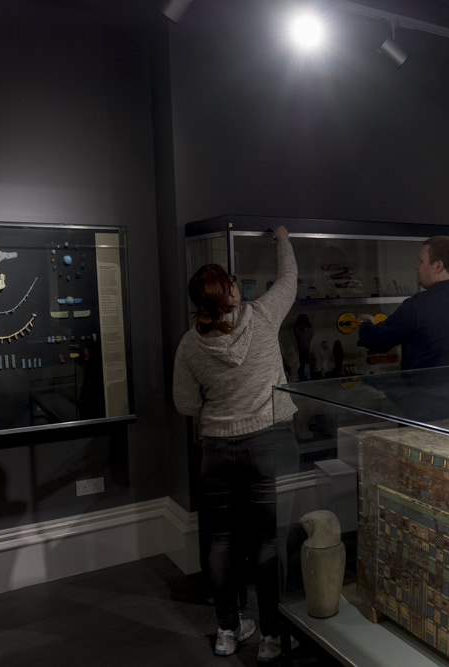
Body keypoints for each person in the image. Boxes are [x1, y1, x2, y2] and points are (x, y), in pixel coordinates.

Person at [172, 225, 297, 661]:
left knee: (221, 540)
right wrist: (281, 238)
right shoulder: (262, 316)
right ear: (229, 291)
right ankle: (272, 637)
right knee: (266, 541)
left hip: (217, 450)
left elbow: (186, 404)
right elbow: (289, 282)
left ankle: (227, 630)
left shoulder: (189, 346)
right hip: (265, 443)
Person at [356, 235, 449, 369]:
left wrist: (366, 323)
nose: (416, 267)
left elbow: (377, 341)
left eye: (421, 261)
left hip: (425, 390)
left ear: (437, 266)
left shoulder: (417, 306)